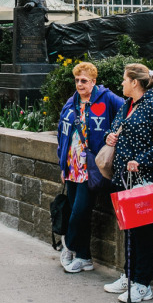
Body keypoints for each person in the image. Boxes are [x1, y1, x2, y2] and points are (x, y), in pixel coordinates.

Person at [103, 63, 153, 303]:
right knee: (131, 230)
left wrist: (141, 161)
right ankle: (129, 276)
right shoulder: (128, 105)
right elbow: (116, 128)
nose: (122, 84)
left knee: (144, 233)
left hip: (147, 181)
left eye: (124, 79)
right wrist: (111, 135)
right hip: (127, 180)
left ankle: (143, 284)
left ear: (135, 82)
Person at [57, 62, 124, 273]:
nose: (79, 84)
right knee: (80, 214)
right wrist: (62, 166)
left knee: (79, 211)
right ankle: (84, 257)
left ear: (93, 81)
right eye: (77, 80)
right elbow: (62, 135)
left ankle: (68, 246)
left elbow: (127, 113)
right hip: (72, 167)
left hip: (91, 169)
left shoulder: (107, 98)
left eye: (84, 80)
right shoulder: (71, 102)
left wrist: (114, 136)